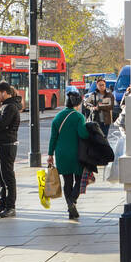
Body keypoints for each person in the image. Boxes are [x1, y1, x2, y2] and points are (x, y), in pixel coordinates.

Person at [47, 88, 90, 220]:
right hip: (76, 153)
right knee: (79, 179)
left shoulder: (57, 117)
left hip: (61, 153)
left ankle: (71, 208)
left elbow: (53, 137)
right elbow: (83, 134)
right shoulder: (79, 117)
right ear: (78, 104)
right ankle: (72, 201)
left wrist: (50, 154)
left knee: (67, 181)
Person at [0, 80, 21, 218]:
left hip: (7, 145)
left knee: (7, 178)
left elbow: (1, 125)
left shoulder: (10, 107)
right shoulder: (5, 106)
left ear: (5, 93)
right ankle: (2, 204)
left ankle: (10, 206)